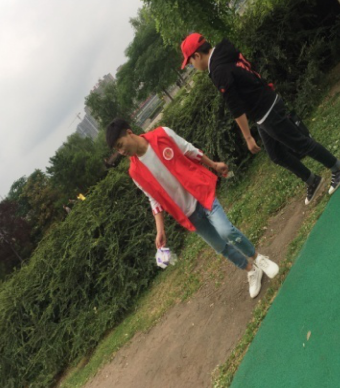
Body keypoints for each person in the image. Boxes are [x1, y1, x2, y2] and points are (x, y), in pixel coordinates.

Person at [106, 118, 280, 299]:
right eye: (117, 149)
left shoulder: (162, 134)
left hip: (201, 194)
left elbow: (189, 150)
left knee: (225, 231)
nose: (121, 151)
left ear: (129, 133)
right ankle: (251, 269)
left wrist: (213, 165)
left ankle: (258, 257)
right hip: (188, 214)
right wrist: (160, 230)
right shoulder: (135, 172)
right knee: (219, 246)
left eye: (120, 145)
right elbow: (153, 199)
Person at [180, 33, 340, 205]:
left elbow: (235, 106)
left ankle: (338, 167)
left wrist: (248, 137)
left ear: (197, 56)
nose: (192, 66)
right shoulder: (223, 54)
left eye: (190, 62)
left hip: (266, 110)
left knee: (300, 143)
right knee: (276, 154)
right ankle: (312, 180)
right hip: (264, 109)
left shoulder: (218, 70)